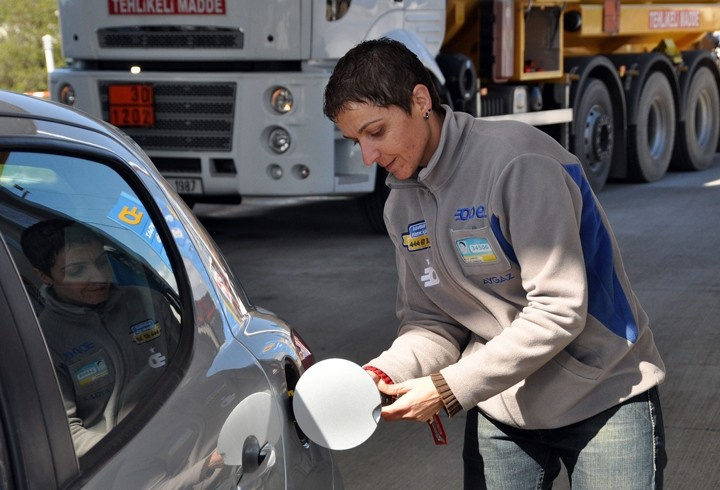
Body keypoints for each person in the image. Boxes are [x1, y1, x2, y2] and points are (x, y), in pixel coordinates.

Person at [323, 38, 666, 489]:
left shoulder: (517, 163)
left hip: (602, 393)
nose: (368, 157)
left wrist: (448, 388)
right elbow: (432, 322)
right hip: (501, 405)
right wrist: (383, 374)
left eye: (376, 132)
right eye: (355, 141)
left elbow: (559, 310)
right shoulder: (401, 207)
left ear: (420, 101)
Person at [21, 218, 181, 457]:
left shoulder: (148, 303)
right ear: (45, 276)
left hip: (185, 432)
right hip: (116, 461)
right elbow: (66, 435)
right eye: (76, 270)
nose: (98, 277)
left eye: (101, 262)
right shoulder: (43, 341)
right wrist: (135, 450)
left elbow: (192, 367)